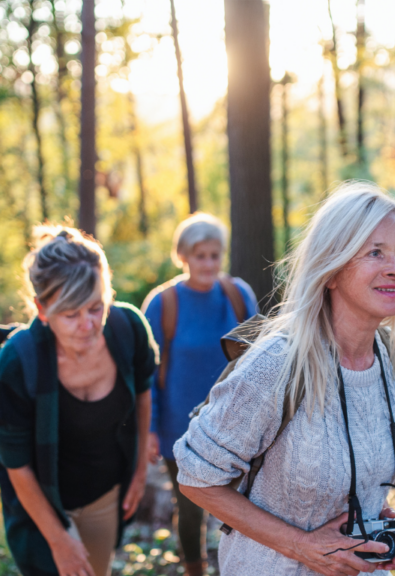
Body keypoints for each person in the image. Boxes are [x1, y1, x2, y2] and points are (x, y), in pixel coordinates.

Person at [173, 182, 395, 576]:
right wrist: (303, 546)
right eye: (375, 252)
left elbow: (358, 471)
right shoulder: (279, 363)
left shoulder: (390, 355)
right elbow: (195, 476)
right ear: (332, 270)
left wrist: (383, 522)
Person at [0, 225, 158, 576]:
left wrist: (139, 471)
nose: (88, 325)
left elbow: (142, 396)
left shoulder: (129, 330)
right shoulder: (18, 362)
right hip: (40, 502)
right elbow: (16, 464)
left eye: (96, 307)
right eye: (71, 314)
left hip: (104, 495)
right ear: (42, 309)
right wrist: (59, 540)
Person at [141, 212, 258, 575]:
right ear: (184, 256)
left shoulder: (238, 295)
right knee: (191, 508)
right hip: (181, 428)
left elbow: (260, 358)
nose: (208, 264)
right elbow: (147, 374)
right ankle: (196, 570)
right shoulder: (164, 304)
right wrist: (149, 430)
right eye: (199, 256)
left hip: (235, 423)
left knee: (243, 505)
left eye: (214, 255)